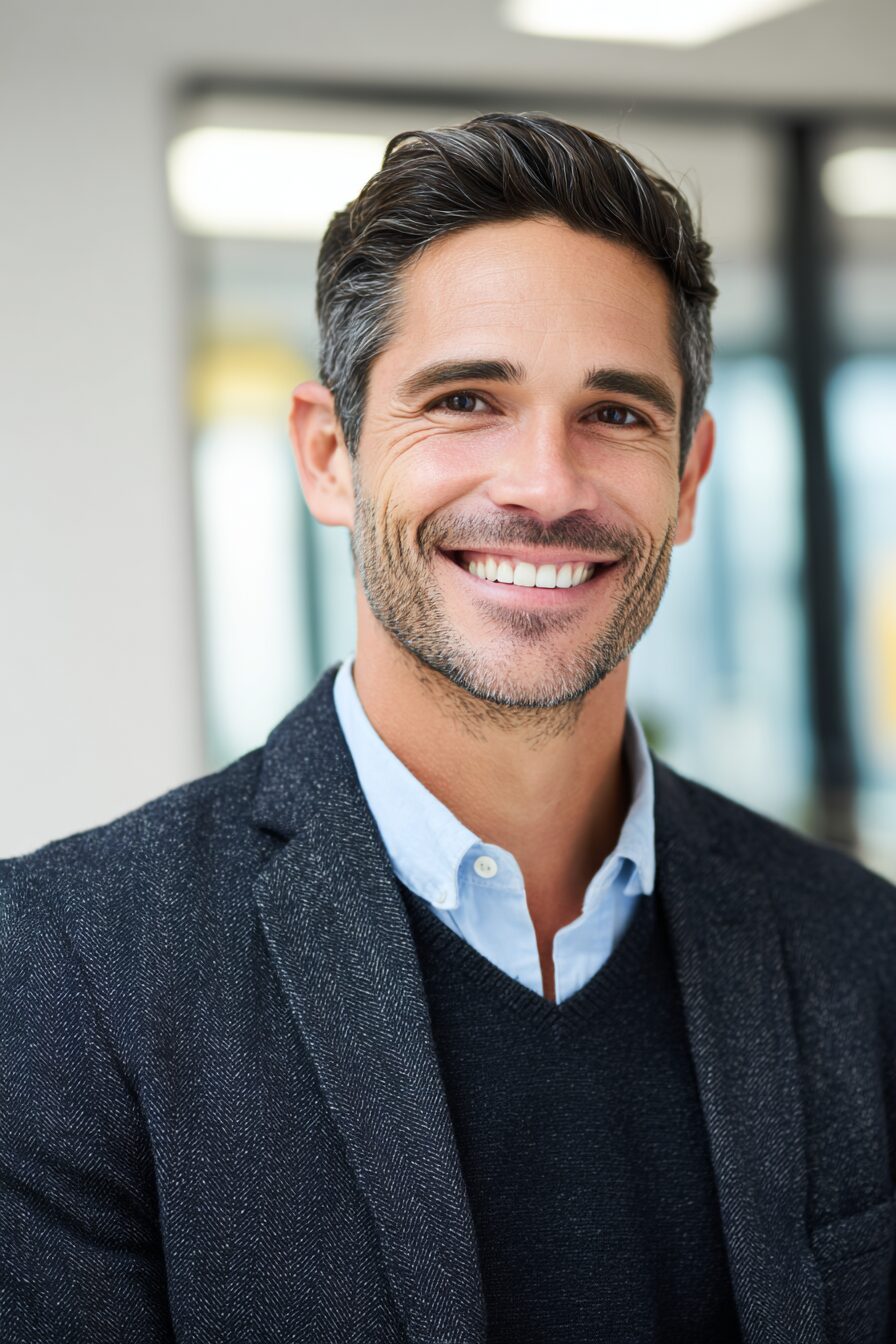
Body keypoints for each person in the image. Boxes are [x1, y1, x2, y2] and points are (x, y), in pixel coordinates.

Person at [1, 112, 894, 1344]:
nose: (543, 483)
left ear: (688, 481)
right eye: (467, 398)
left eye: (616, 413)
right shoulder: (59, 975)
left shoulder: (861, 956)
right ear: (330, 454)